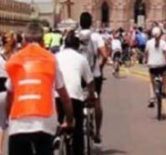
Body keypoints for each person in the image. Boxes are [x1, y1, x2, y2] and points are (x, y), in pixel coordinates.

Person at [6, 21, 74, 155]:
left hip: (18, 126)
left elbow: (9, 96)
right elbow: (65, 97)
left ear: (24, 40)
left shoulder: (15, 60)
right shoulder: (51, 59)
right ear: (43, 41)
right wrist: (70, 121)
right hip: (44, 125)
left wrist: (9, 118)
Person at [56, 31, 96, 155]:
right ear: (77, 46)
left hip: (56, 96)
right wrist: (91, 96)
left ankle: (55, 141)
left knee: (55, 125)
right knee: (77, 127)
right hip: (74, 97)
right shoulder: (81, 58)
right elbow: (90, 81)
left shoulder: (55, 56)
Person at [78, 12, 105, 143]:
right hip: (94, 74)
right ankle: (98, 133)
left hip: (78, 75)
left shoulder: (74, 35)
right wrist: (100, 67)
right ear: (91, 22)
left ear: (80, 23)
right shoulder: (96, 36)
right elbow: (104, 55)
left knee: (75, 100)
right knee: (97, 101)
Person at [145, 26, 166, 107]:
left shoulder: (148, 43)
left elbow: (146, 53)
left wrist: (146, 60)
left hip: (152, 65)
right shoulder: (163, 43)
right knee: (165, 75)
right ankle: (163, 91)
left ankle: (152, 98)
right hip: (161, 65)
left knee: (152, 82)